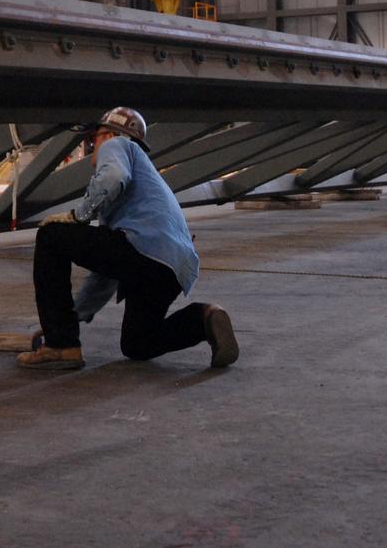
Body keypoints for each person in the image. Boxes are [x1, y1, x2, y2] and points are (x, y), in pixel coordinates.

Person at [17, 107, 238, 371]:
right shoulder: (141, 195)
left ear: (108, 134)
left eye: (93, 139)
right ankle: (204, 319)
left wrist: (79, 215)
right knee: (138, 344)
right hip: (170, 269)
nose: (90, 150)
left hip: (143, 253)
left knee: (50, 234)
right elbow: (106, 272)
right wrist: (66, 320)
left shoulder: (117, 143)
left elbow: (113, 176)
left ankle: (62, 348)